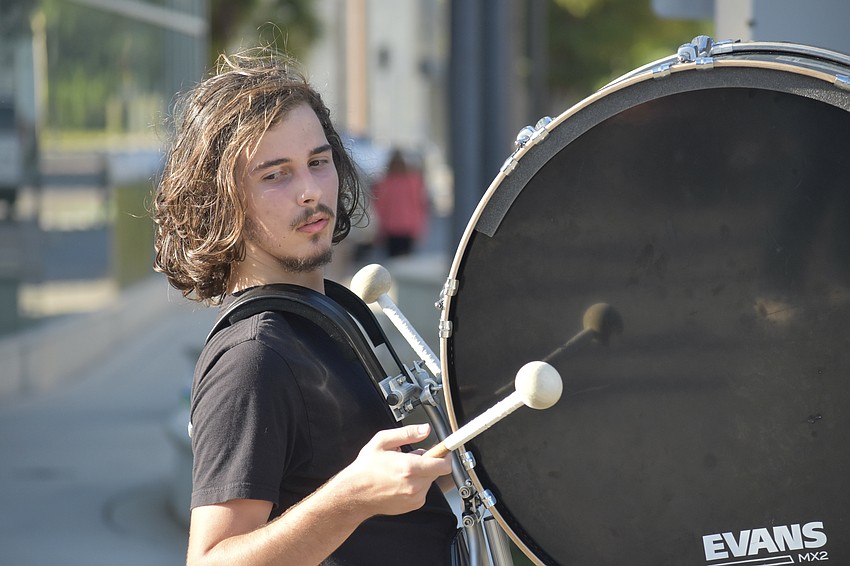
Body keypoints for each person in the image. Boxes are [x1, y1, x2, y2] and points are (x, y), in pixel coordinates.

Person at [152, 49, 457, 565]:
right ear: (224, 201)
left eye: (318, 162)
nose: (312, 191)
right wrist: (349, 498)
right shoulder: (253, 357)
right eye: (276, 175)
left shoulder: (333, 312)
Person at [371, 148, 428, 257]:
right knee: (406, 260)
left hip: (390, 228)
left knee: (393, 260)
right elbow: (420, 205)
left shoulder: (384, 182)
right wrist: (420, 228)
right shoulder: (413, 181)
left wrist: (379, 230)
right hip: (408, 226)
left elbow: (380, 207)